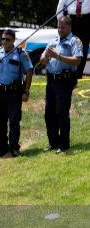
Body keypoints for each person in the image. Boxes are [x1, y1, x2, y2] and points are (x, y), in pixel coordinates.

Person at [0, 29, 33, 158]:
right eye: (3, 39)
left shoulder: (21, 54)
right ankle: (2, 148)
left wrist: (26, 91)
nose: (4, 42)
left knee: (14, 121)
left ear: (13, 40)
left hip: (14, 93)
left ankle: (14, 148)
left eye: (7, 39)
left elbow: (29, 71)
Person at [39, 15, 83, 153]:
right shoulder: (53, 41)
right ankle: (53, 143)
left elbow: (77, 60)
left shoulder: (74, 41)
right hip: (51, 80)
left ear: (69, 27)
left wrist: (58, 56)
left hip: (64, 81)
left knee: (61, 113)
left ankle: (64, 144)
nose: (60, 29)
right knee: (49, 113)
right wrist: (45, 57)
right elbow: (42, 59)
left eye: (62, 27)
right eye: (58, 27)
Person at [58, 0, 89, 79]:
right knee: (69, 46)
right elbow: (60, 7)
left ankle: (79, 74)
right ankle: (68, 73)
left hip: (86, 20)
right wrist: (61, 24)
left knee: (83, 48)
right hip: (71, 19)